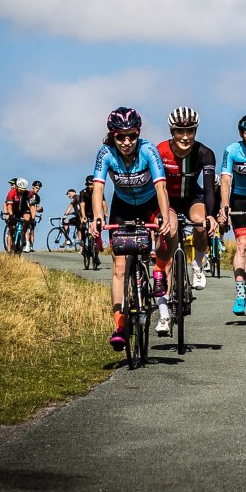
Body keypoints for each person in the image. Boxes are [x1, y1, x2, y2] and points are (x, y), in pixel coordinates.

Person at [88, 107, 177, 349]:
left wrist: (165, 219)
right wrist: (97, 217)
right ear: (112, 136)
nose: (127, 142)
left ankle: (159, 270)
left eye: (132, 136)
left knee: (170, 228)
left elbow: (161, 187)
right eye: (120, 137)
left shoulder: (148, 150)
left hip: (150, 203)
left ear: (138, 134)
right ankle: (119, 326)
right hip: (123, 206)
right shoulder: (105, 153)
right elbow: (98, 188)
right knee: (119, 268)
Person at [157, 106, 218, 292]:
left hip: (192, 196)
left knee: (200, 223)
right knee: (171, 228)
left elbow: (209, 189)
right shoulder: (160, 151)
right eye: (180, 131)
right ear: (171, 131)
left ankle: (198, 263)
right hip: (169, 199)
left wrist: (212, 215)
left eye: (190, 131)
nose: (185, 136)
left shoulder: (204, 153)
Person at [217, 114, 246, 316]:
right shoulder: (232, 150)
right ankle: (240, 295)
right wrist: (225, 206)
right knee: (242, 245)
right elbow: (226, 180)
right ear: (241, 134)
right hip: (239, 198)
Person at [79, 175, 107, 268]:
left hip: (96, 215)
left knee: (97, 232)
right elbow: (82, 206)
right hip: (86, 214)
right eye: (89, 185)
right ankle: (83, 243)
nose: (91, 186)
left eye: (92, 185)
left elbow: (104, 204)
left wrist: (105, 213)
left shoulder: (98, 192)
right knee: (83, 227)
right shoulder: (83, 193)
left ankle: (96, 252)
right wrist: (83, 216)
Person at [4, 178, 36, 251]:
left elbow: (32, 207)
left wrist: (33, 218)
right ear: (17, 187)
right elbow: (9, 206)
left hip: (23, 210)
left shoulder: (29, 193)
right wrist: (11, 215)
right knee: (11, 229)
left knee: (27, 218)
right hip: (14, 210)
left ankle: (23, 233)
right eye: (20, 189)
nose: (22, 191)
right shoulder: (11, 192)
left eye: (23, 189)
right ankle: (9, 251)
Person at [26, 180, 43, 252]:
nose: (37, 189)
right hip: (26, 213)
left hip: (32, 215)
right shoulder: (27, 194)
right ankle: (27, 245)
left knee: (32, 231)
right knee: (26, 230)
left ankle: (31, 247)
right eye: (36, 188)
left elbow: (38, 207)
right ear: (33, 187)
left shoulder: (38, 197)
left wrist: (40, 209)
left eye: (39, 188)